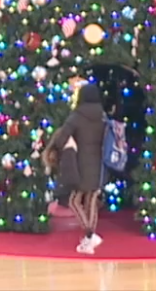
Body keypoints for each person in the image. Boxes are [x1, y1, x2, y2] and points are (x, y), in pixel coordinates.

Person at [45, 82, 106, 255]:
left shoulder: (77, 115)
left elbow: (60, 139)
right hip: (99, 164)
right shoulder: (102, 115)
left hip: (81, 164)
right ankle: (89, 241)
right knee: (92, 200)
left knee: (74, 200)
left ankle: (89, 235)